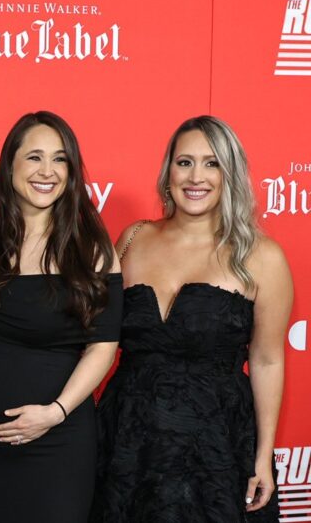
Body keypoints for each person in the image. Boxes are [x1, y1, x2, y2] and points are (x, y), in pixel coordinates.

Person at [91, 116, 292, 522]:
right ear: (168, 172)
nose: (196, 176)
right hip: (128, 443)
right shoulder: (133, 238)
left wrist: (263, 455)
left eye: (211, 163)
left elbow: (268, 360)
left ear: (229, 174)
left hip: (215, 447)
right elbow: (97, 335)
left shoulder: (262, 257)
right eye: (184, 162)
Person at [0, 111, 122, 522]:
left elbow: (103, 347)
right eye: (34, 157)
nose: (48, 171)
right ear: (10, 165)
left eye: (60, 159)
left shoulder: (91, 250)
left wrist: (54, 413)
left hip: (58, 443)